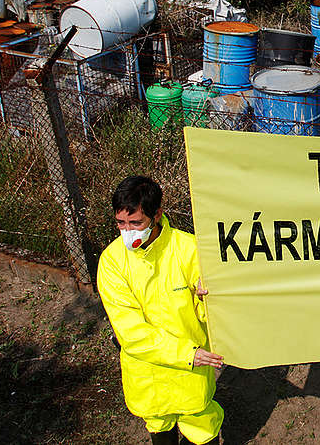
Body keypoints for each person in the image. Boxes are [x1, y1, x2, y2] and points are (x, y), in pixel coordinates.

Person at [97, 175, 224, 445]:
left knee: (201, 428)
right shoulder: (112, 262)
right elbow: (131, 332)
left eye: (136, 222)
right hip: (149, 374)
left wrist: (206, 298)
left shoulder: (189, 249)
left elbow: (213, 316)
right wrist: (187, 355)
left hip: (191, 372)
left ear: (157, 215)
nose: (127, 231)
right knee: (159, 426)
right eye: (121, 223)